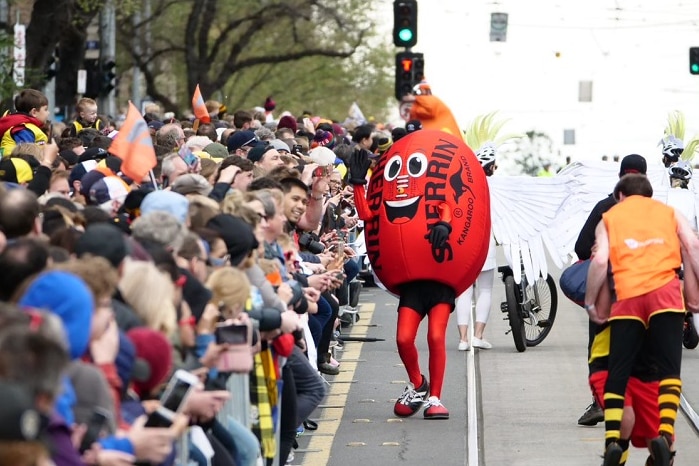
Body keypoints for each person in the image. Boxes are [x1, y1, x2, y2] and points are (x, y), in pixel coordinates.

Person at [584, 173, 699, 466]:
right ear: (649, 195)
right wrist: (695, 296)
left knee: (618, 371)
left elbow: (599, 260)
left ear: (620, 195)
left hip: (629, 293)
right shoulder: (670, 213)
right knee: (670, 369)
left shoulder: (610, 216)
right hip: (666, 293)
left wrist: (590, 303)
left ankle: (612, 441)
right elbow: (692, 248)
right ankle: (664, 433)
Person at [574, 154, 649, 427]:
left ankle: (601, 402)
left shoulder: (604, 207)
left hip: (607, 295)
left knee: (599, 351)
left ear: (619, 178)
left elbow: (581, 248)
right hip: (643, 296)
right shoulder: (654, 212)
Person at [0, 89, 49, 156]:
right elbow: (26, 156)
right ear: (34, 112)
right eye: (46, 109)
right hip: (17, 165)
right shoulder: (23, 129)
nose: (48, 113)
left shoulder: (26, 127)